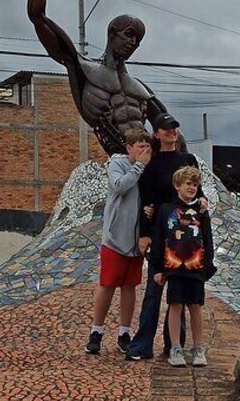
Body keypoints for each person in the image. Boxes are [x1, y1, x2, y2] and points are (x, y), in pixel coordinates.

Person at [27, 0, 167, 155]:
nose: (133, 43)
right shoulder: (84, 68)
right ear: (112, 33)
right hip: (118, 159)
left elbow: (168, 127)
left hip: (147, 160)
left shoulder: (140, 89)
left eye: (138, 39)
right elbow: (38, 17)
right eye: (129, 34)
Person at [126, 112, 207, 361]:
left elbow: (197, 191)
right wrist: (144, 233)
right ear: (157, 133)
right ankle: (142, 344)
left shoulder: (187, 158)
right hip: (160, 234)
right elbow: (145, 200)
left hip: (185, 238)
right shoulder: (152, 162)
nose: (172, 131)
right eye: (166, 128)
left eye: (174, 127)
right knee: (154, 290)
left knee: (180, 295)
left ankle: (175, 345)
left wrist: (202, 201)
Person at [85, 129, 153, 355]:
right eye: (140, 146)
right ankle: (96, 331)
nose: (144, 151)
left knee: (130, 286)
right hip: (115, 239)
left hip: (136, 242)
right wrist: (139, 166)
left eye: (147, 147)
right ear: (129, 148)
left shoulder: (148, 170)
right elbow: (119, 186)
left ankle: (124, 332)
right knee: (107, 285)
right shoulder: (117, 165)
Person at [151, 166, 216, 367]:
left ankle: (198, 347)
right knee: (176, 305)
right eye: (188, 183)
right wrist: (156, 268)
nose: (192, 187)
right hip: (174, 266)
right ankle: (175, 347)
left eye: (195, 184)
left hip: (195, 266)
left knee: (196, 306)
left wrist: (207, 266)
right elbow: (159, 240)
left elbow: (208, 239)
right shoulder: (166, 210)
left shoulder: (201, 212)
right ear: (177, 185)